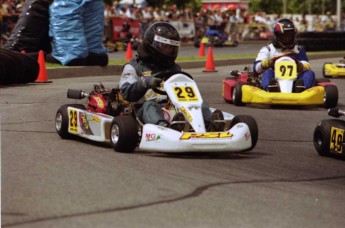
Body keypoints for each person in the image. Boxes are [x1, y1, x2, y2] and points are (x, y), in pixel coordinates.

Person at [118, 22, 217, 129]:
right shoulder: (134, 66)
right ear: (152, 45)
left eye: (172, 48)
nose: (169, 51)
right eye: (165, 47)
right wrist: (146, 82)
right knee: (150, 106)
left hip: (174, 107)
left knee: (200, 104)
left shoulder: (175, 68)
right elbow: (125, 93)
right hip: (144, 111)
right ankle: (162, 128)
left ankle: (209, 125)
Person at [253, 18, 315, 92]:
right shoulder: (268, 49)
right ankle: (270, 88)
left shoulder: (298, 49)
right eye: (284, 37)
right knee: (268, 71)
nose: (288, 39)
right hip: (274, 79)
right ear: (277, 36)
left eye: (290, 36)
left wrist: (300, 65)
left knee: (309, 73)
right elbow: (256, 69)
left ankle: (302, 89)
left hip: (295, 81)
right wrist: (265, 64)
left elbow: (306, 65)